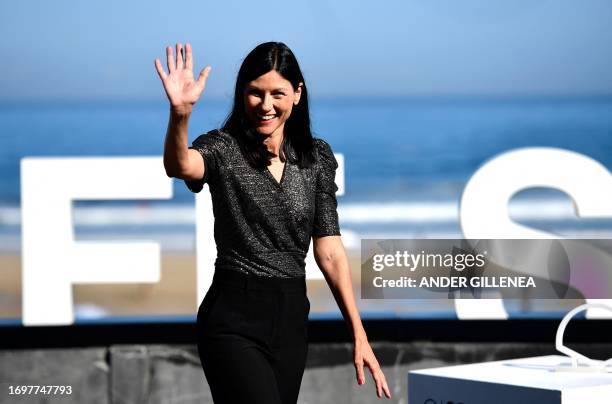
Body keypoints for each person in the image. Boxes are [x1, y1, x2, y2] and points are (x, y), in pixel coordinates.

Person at [155, 41, 392, 404]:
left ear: (297, 94)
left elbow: (329, 250)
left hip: (291, 318)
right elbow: (181, 166)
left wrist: (358, 334)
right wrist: (180, 114)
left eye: (277, 94)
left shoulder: (316, 158)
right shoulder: (222, 148)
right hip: (232, 318)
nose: (266, 106)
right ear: (242, 94)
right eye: (255, 93)